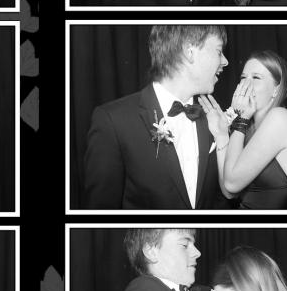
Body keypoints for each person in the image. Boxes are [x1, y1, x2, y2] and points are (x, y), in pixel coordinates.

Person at [83, 25, 229, 209]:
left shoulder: (213, 119)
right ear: (189, 51)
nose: (225, 61)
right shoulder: (113, 122)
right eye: (218, 51)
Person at [198, 50, 287, 209]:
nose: (246, 84)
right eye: (243, 78)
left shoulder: (280, 118)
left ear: (276, 89)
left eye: (256, 78)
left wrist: (241, 119)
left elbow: (231, 184)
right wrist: (222, 135)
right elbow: (229, 192)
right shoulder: (251, 130)